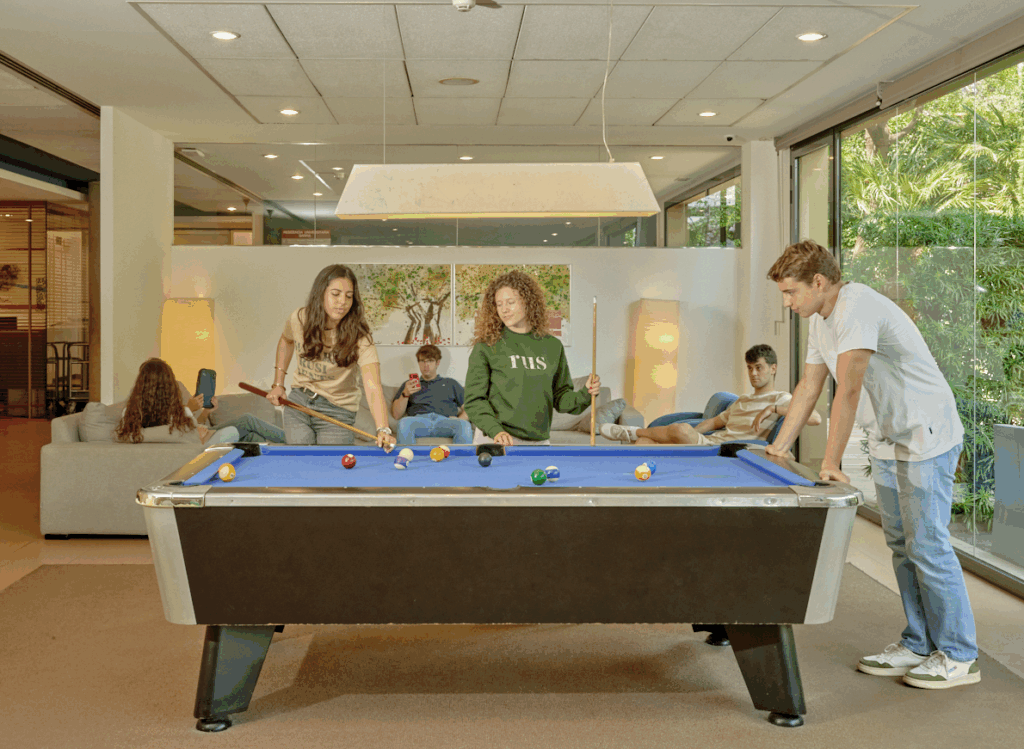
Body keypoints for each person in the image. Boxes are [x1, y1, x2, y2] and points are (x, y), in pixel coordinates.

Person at [765, 239, 978, 689]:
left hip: (925, 433)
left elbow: (848, 389)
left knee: (928, 545)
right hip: (885, 436)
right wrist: (777, 449)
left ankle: (959, 655)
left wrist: (830, 461)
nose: (787, 302)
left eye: (791, 292)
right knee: (901, 545)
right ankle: (919, 642)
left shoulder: (857, 307)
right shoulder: (820, 320)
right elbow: (809, 386)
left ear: (818, 282)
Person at [463, 269, 600, 446]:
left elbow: (561, 398)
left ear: (528, 302)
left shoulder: (552, 346)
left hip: (539, 441)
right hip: (496, 439)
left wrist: (586, 393)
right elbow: (474, 401)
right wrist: (495, 430)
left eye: (510, 302)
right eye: (499, 304)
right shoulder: (486, 346)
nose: (504, 310)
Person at [267, 265, 394, 451]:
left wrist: (383, 428)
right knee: (302, 460)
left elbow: (373, 385)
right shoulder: (300, 319)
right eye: (336, 294)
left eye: (349, 296)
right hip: (299, 402)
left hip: (337, 411)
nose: (342, 302)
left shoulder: (360, 336)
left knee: (329, 465)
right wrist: (278, 384)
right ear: (320, 293)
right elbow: (286, 341)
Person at [599, 344, 821, 445]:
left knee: (678, 429)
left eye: (759, 368)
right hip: (707, 442)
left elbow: (814, 418)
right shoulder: (742, 400)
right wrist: (687, 437)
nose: (753, 373)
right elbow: (713, 422)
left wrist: (773, 409)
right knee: (645, 442)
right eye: (750, 368)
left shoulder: (781, 398)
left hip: (726, 451)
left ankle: (630, 432)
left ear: (773, 368)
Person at [115, 358, 239, 445]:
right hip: (194, 453)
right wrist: (188, 411)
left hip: (185, 448)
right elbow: (192, 437)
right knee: (233, 430)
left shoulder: (129, 414)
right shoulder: (178, 414)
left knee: (244, 430)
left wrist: (205, 412)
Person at [391, 344, 473, 445]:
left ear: (437, 363)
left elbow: (470, 408)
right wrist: (405, 394)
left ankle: (461, 456)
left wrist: (459, 420)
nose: (426, 365)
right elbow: (396, 415)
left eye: (430, 361)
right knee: (403, 423)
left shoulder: (450, 383)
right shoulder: (409, 385)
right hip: (419, 421)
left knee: (464, 425)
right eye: (422, 361)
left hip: (445, 422)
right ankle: (407, 455)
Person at [190, 395, 285, 444]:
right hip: (198, 438)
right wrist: (189, 408)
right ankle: (290, 439)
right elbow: (184, 434)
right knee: (247, 420)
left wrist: (206, 411)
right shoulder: (183, 410)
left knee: (253, 436)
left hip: (203, 431)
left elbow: (197, 424)